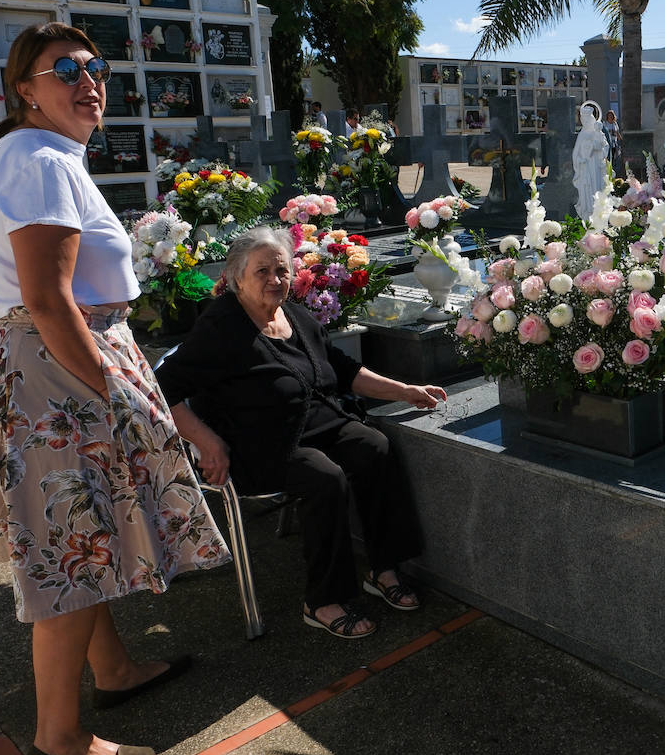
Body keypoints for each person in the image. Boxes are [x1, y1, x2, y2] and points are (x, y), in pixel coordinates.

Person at [0, 22, 229, 755]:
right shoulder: (38, 155)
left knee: (86, 535)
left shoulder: (47, 156)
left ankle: (111, 670)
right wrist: (115, 395)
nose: (88, 80)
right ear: (26, 90)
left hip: (47, 369)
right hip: (51, 374)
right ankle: (61, 741)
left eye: (96, 66)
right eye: (65, 69)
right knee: (66, 560)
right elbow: (48, 299)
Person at [155, 229, 447, 641]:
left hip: (318, 424)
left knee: (373, 446)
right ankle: (323, 600)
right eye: (262, 271)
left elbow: (343, 370)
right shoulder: (220, 328)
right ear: (236, 277)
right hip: (258, 443)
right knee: (324, 478)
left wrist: (406, 391)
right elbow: (162, 389)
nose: (275, 279)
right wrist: (206, 441)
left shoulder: (295, 314)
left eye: (282, 269)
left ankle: (383, 567)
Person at [572, 101, 610, 218]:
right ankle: (587, 215)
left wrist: (598, 147)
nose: (585, 122)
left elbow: (605, 146)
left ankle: (598, 214)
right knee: (587, 192)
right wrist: (580, 161)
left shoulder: (598, 132)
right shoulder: (582, 134)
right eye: (583, 120)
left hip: (596, 167)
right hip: (585, 168)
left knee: (597, 189)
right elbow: (576, 154)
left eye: (587, 119)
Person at [602, 109, 623, 176]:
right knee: (608, 157)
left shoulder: (615, 124)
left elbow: (617, 133)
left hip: (614, 143)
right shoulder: (605, 124)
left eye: (611, 115)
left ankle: (613, 170)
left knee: (614, 157)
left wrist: (621, 140)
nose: (610, 117)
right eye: (609, 115)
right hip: (607, 143)